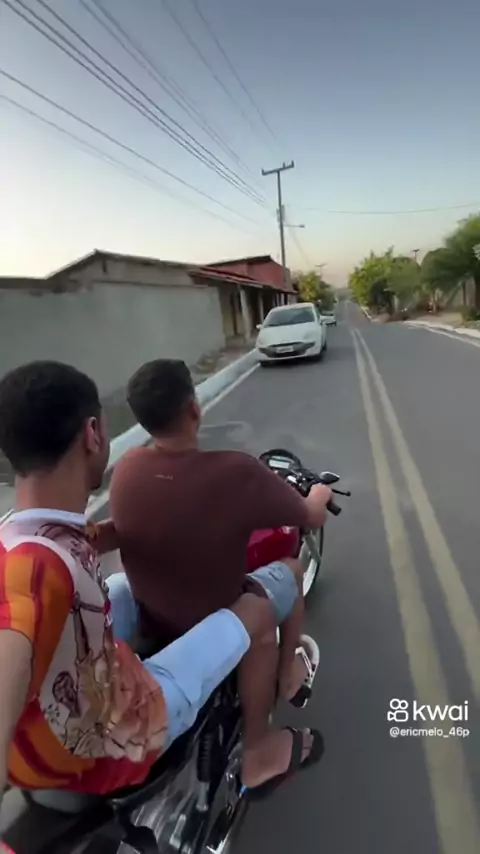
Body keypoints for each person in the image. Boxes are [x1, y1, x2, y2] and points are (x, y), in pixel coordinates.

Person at [0, 361, 322, 814]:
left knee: (118, 584)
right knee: (257, 608)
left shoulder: (32, 532)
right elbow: (14, 637)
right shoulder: (35, 570)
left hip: (66, 714)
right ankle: (258, 752)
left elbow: (92, 542)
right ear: (93, 434)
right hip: (116, 735)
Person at [109, 359, 331, 791]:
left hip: (155, 617)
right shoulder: (235, 472)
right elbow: (310, 515)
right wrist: (319, 493)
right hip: (216, 616)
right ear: (194, 408)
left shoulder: (127, 469)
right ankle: (267, 729)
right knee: (288, 573)